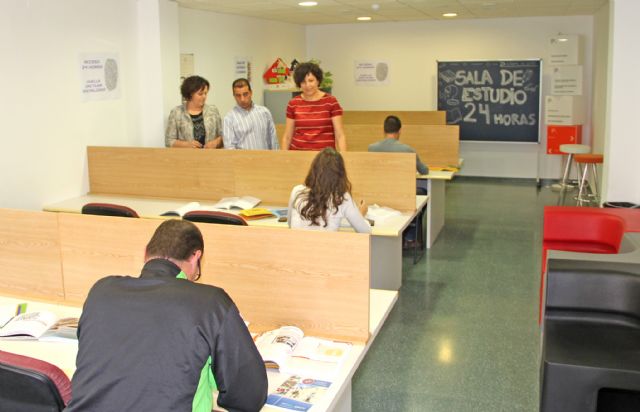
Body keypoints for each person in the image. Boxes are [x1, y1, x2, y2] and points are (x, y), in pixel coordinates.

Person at [66, 220, 267, 412]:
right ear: (196, 256)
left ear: (145, 253)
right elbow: (248, 396)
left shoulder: (102, 290)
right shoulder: (209, 302)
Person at [288, 148, 371, 233]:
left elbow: (290, 224)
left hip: (296, 241)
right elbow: (365, 231)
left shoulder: (296, 191)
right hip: (325, 242)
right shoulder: (342, 198)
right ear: (340, 174)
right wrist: (361, 215)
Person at [281, 62, 347, 151]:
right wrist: (283, 156)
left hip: (324, 155)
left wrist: (343, 156)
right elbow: (287, 136)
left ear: (318, 81)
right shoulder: (293, 103)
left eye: (311, 80)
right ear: (299, 84)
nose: (307, 85)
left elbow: (340, 135)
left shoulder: (331, 101)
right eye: (303, 82)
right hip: (298, 153)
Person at [165, 75, 223, 149]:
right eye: (200, 94)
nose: (204, 96)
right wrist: (186, 145)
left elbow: (223, 136)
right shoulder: (176, 113)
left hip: (210, 155)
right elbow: (169, 141)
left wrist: (216, 143)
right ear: (190, 94)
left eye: (205, 93)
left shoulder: (213, 111)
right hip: (186, 156)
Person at [223, 78, 278, 150]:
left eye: (245, 94)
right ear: (234, 96)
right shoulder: (229, 119)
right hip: (243, 157)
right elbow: (229, 148)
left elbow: (273, 140)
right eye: (238, 95)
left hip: (265, 156)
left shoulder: (264, 112)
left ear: (251, 93)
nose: (242, 99)